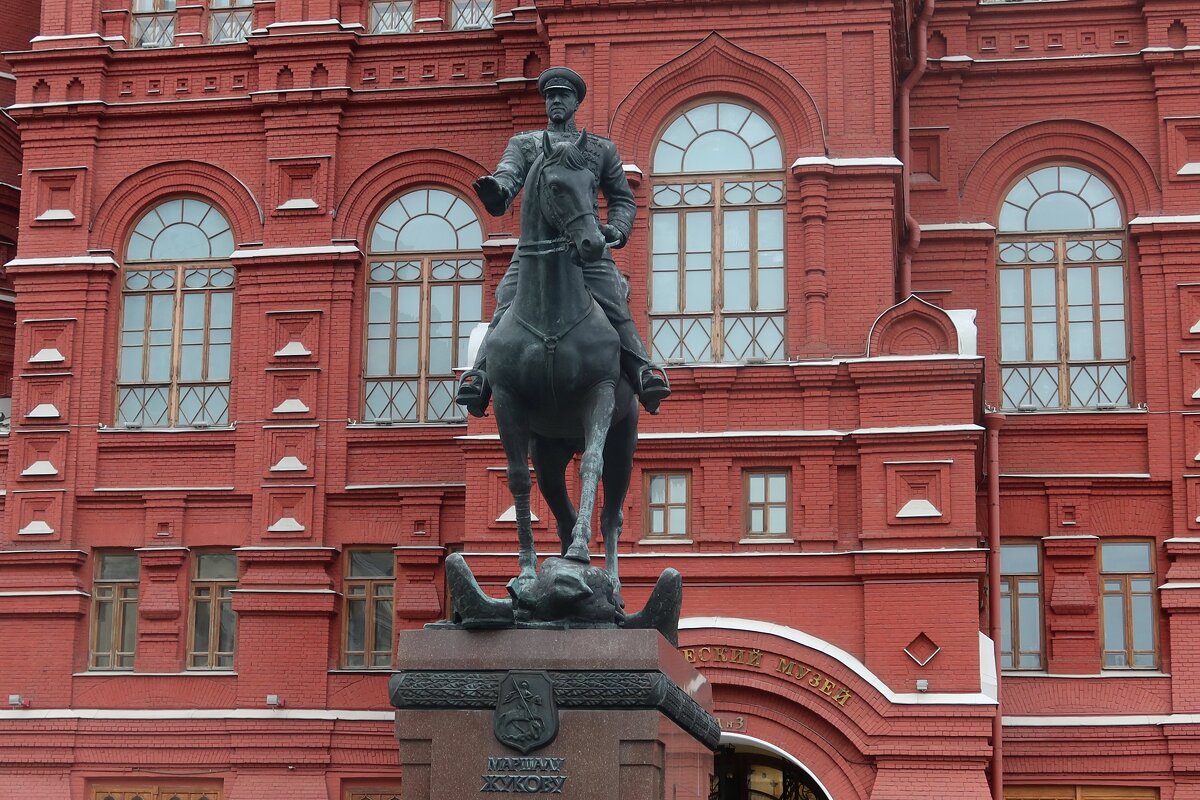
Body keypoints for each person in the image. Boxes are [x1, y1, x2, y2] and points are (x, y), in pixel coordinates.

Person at [455, 66, 671, 417]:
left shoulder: (600, 150)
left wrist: (615, 228)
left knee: (614, 301)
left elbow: (622, 199)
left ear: (575, 102)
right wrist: (499, 191)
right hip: (534, 252)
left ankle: (643, 370)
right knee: (506, 300)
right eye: (550, 96)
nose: (555, 100)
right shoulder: (524, 144)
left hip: (586, 246)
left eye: (563, 95)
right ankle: (479, 376)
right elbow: (509, 175)